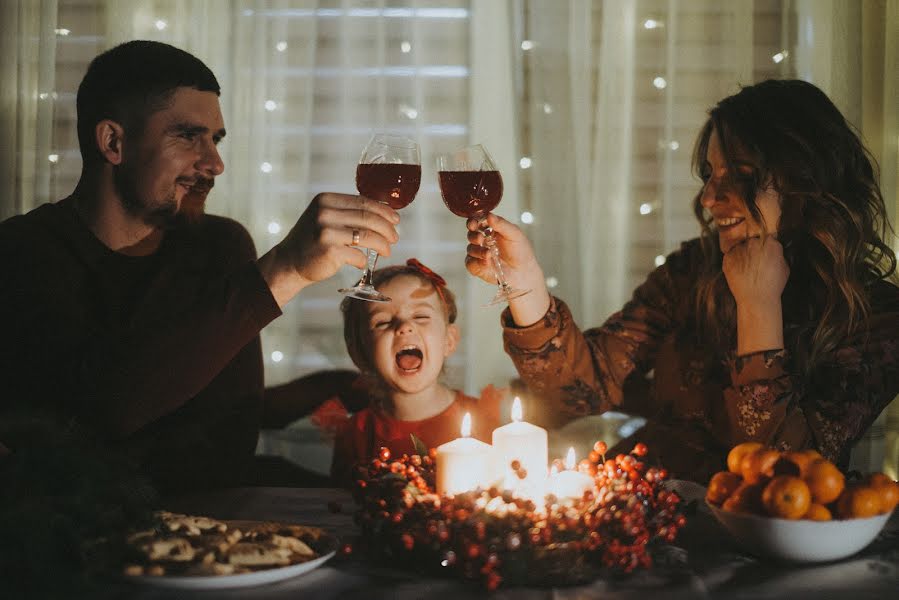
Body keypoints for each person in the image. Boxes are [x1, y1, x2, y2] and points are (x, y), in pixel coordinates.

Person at [0, 40, 401, 493]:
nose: (215, 163)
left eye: (215, 139)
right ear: (114, 141)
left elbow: (216, 407)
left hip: (236, 523)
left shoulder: (221, 245)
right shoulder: (25, 252)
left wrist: (349, 385)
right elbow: (98, 410)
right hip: (101, 536)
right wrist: (283, 272)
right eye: (188, 135)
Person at [464, 79, 899, 482]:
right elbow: (583, 393)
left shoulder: (876, 317)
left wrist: (758, 307)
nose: (709, 198)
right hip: (657, 520)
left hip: (780, 550)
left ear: (809, 183)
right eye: (710, 174)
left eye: (742, 176)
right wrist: (525, 285)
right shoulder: (692, 270)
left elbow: (781, 475)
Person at [314, 259, 504, 487]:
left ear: (449, 340)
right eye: (382, 322)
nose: (404, 326)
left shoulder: (486, 421)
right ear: (359, 352)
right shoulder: (356, 433)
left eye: (421, 316)